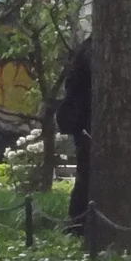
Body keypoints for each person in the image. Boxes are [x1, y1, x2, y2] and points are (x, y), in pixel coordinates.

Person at [57, 43, 93, 233]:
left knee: (87, 173)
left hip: (84, 119)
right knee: (86, 174)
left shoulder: (86, 49)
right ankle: (77, 223)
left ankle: (80, 221)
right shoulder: (92, 50)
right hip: (83, 121)